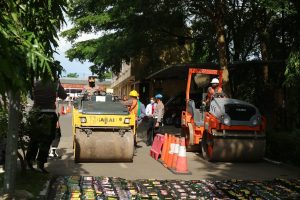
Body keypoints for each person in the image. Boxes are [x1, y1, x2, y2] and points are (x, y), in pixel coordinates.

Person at [25, 74, 67, 173]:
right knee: (46, 140)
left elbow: (31, 97)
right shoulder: (55, 84)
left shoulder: (35, 83)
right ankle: (40, 163)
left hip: (36, 113)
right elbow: (64, 96)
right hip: (49, 114)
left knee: (34, 139)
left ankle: (29, 162)